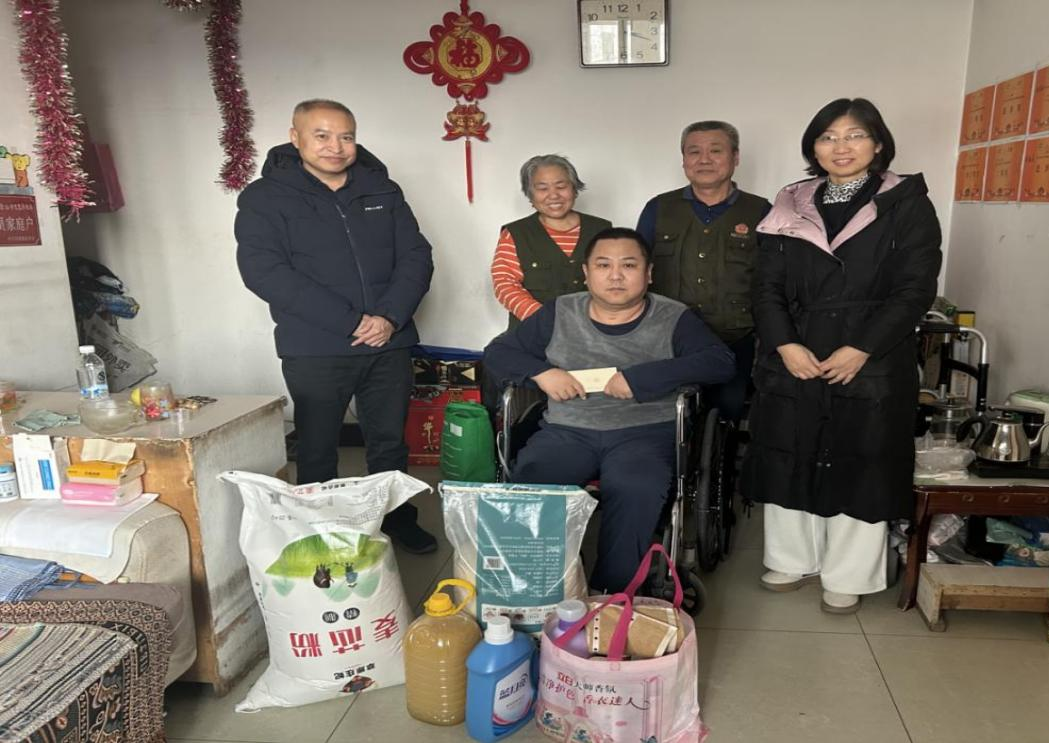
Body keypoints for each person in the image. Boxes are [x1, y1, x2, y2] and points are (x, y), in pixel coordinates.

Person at [745, 98, 942, 613]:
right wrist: (785, 344)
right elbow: (765, 286)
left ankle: (848, 572)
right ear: (813, 147)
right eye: (829, 137)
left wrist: (863, 348)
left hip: (873, 352)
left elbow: (915, 289)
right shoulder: (789, 203)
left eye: (855, 135)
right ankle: (792, 558)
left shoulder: (905, 203)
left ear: (877, 144)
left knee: (863, 457)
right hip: (798, 348)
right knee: (791, 448)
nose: (841, 147)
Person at [235, 99, 438, 554]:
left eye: (346, 137)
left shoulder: (381, 189)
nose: (336, 147)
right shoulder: (265, 197)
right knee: (317, 446)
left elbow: (416, 256)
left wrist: (389, 317)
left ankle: (397, 520)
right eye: (322, 135)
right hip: (316, 345)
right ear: (295, 137)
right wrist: (352, 321)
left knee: (389, 442)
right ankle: (320, 530)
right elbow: (264, 271)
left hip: (388, 342)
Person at [484, 228, 735, 591]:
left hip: (645, 432)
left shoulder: (673, 317)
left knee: (636, 486)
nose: (615, 275)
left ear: (648, 273)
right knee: (535, 481)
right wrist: (542, 373)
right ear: (586, 273)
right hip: (567, 429)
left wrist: (641, 378)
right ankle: (538, 586)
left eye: (628, 265)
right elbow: (498, 353)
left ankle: (612, 594)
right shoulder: (559, 312)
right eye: (603, 265)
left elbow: (720, 362)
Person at [635, 121, 770, 422]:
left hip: (735, 340)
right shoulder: (659, 208)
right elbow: (636, 271)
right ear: (684, 160)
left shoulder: (760, 211)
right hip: (666, 340)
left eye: (716, 151)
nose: (704, 159)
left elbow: (773, 281)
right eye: (694, 152)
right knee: (664, 421)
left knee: (724, 422)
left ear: (735, 157)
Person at [491, 154, 612, 327]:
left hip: (593, 329)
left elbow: (615, 280)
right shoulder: (515, 233)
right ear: (530, 195)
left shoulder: (603, 230)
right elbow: (505, 284)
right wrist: (545, 320)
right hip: (534, 330)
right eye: (542, 188)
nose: (553, 195)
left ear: (574, 189)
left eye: (561, 186)